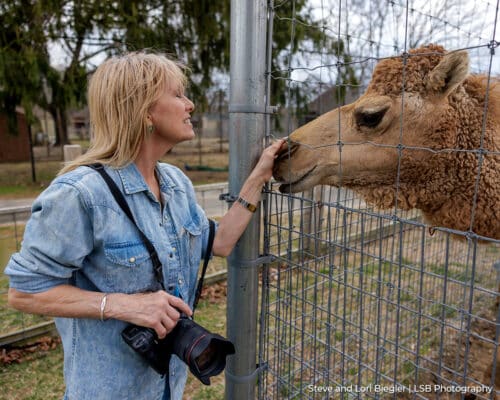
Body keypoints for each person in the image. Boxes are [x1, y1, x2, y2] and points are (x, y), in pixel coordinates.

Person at [5, 51, 285, 400]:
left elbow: (220, 242)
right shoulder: (79, 194)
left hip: (167, 385)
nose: (190, 104)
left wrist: (258, 177)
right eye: (178, 94)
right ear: (145, 112)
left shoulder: (175, 183)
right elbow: (24, 292)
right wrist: (125, 305)